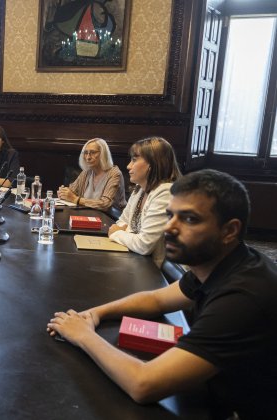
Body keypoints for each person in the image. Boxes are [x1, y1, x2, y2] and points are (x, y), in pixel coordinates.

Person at [48, 169, 277, 419]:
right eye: (170, 215)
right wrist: (94, 314)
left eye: (189, 219)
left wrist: (83, 335)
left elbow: (143, 384)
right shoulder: (219, 263)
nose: (169, 228)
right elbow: (156, 300)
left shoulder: (243, 297)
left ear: (230, 231)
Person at [108, 136, 181, 267]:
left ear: (152, 163)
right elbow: (122, 221)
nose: (128, 166)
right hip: (137, 261)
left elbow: (144, 245)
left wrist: (118, 233)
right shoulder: (140, 189)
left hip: (158, 272)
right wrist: (126, 233)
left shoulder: (165, 193)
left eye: (134, 160)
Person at [57, 138, 126, 211]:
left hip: (111, 218)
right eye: (86, 153)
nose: (88, 157)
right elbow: (72, 191)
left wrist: (76, 199)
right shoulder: (87, 172)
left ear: (103, 154)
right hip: (89, 215)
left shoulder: (114, 173)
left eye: (93, 152)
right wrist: (64, 193)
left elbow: (105, 204)